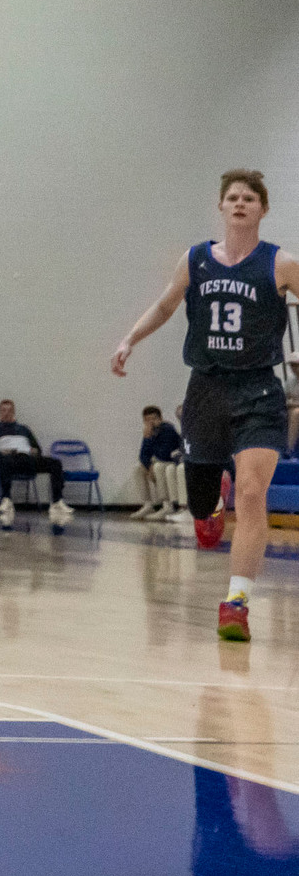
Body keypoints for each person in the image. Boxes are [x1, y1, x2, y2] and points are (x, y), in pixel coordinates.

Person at [114, 169, 299, 641]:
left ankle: (236, 602)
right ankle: (211, 499)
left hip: (258, 390)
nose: (240, 203)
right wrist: (130, 340)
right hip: (206, 389)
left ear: (263, 209)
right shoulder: (196, 260)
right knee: (200, 504)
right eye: (232, 197)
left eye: (249, 198)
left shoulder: (280, 264)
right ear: (220, 206)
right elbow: (165, 305)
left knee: (253, 494)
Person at [0, 400, 73, 531]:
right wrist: (1, 453)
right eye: (3, 410)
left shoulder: (24, 429)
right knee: (5, 461)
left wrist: (34, 451)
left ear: (14, 412)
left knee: (55, 463)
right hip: (9, 460)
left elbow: (37, 449)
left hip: (28, 460)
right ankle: (6, 500)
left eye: (9, 410)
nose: (6, 413)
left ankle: (57, 501)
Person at [134, 405, 186, 521]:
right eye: (147, 420)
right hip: (160, 461)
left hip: (171, 461)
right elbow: (143, 455)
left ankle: (167, 505)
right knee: (138, 468)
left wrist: (149, 439)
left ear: (160, 418)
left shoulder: (167, 430)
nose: (151, 423)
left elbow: (164, 454)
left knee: (158, 467)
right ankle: (147, 504)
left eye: (153, 419)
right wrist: (148, 466)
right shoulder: (149, 433)